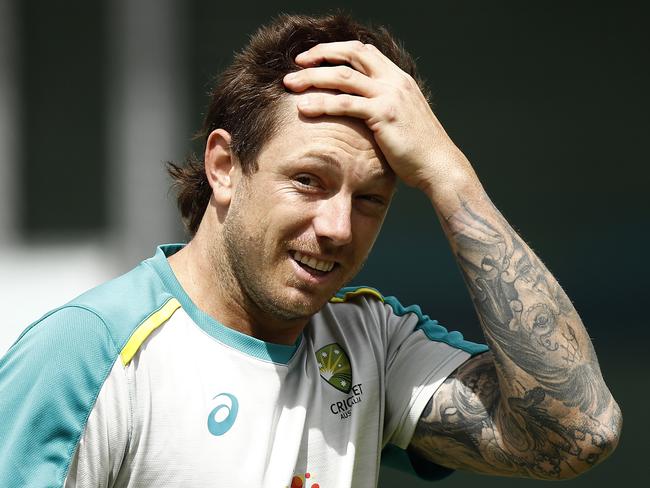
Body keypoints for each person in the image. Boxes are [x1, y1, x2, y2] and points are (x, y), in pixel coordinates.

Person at [0, 13, 621, 487]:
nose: (338, 228)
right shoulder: (89, 355)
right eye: (308, 182)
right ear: (224, 167)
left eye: (371, 198)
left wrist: (448, 173)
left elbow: (579, 430)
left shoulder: (373, 343)